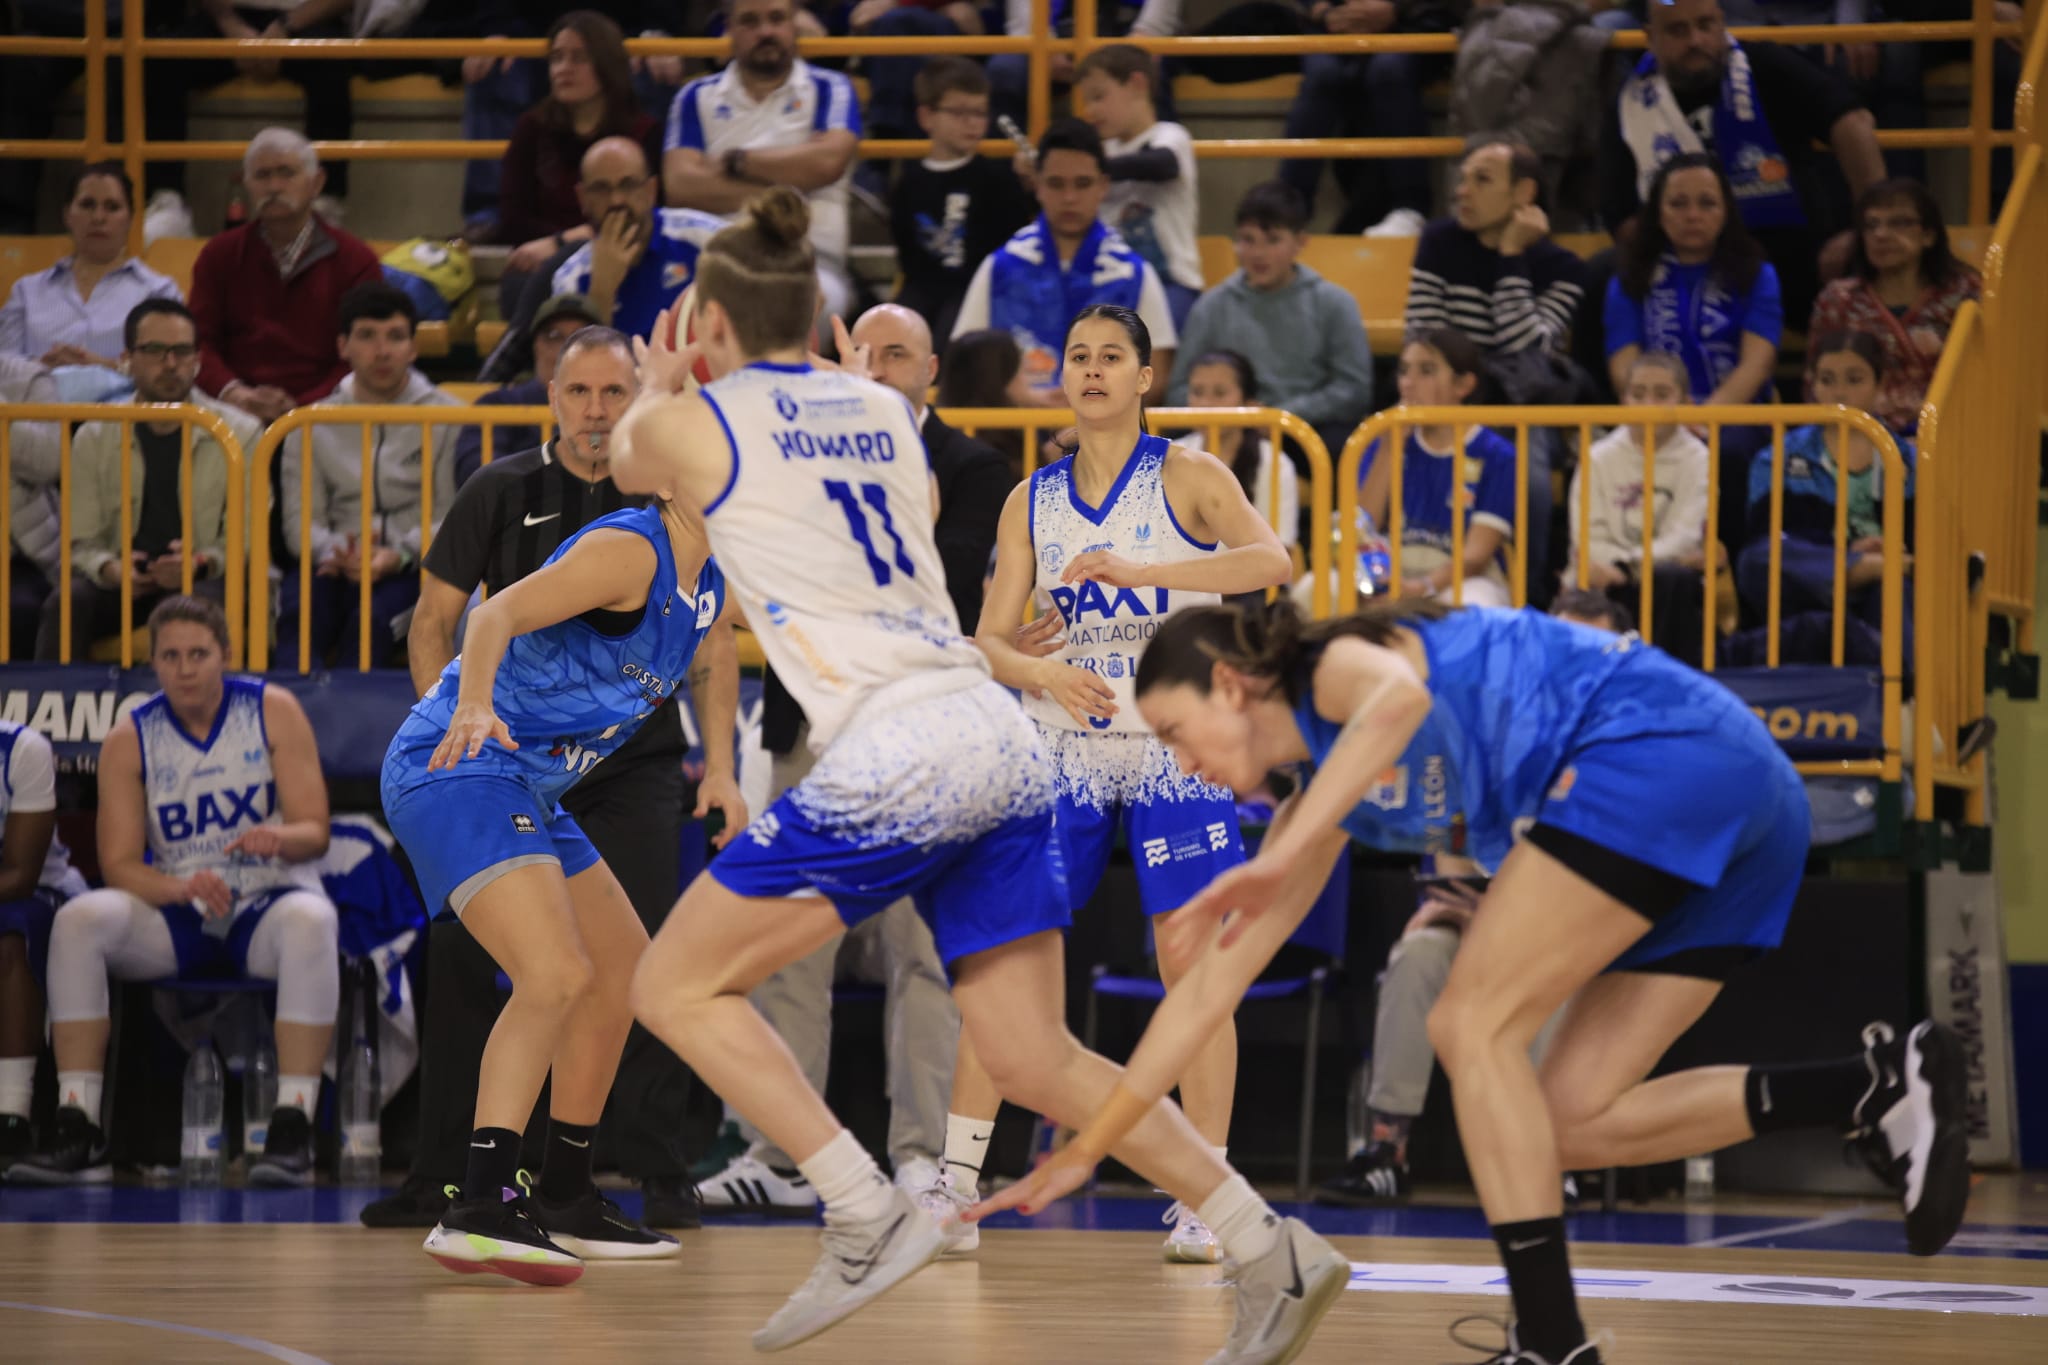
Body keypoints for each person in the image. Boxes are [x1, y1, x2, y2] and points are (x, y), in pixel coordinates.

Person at [611, 188, 1346, 1357]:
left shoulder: (711, 416)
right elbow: (859, 432)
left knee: (670, 986)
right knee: (1030, 1054)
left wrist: (659, 384)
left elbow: (625, 449)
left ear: (706, 325)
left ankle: (860, 1210)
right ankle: (1267, 1243)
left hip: (901, 747)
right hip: (1006, 734)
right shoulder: (884, 414)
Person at [981, 595, 1972, 1365]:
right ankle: (1869, 1089)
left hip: (1659, 749)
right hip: (1745, 799)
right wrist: (1091, 1148)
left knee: (1469, 1024)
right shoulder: (1313, 810)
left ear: (1232, 684)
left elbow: (1399, 700)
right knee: (1568, 1117)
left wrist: (1281, 857)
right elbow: (1203, 993)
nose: (1178, 762)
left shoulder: (1330, 673)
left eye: (1170, 730)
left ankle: (1548, 1339)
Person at [361, 327, 728, 1234]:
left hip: (527, 786)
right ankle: (482, 1200)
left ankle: (565, 1187)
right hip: (456, 762)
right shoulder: (630, 550)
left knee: (622, 973)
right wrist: (474, 706)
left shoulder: (711, 580)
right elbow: (490, 617)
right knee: (555, 973)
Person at [947, 303, 1292, 1264]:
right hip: (1062, 740)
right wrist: (1037, 666)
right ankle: (952, 1183)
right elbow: (985, 639)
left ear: (1146, 377)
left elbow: (1273, 558)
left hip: (1174, 746)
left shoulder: (1189, 472)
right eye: (1079, 357)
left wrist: (1145, 566)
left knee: (1195, 966)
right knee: (1004, 956)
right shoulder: (1031, 498)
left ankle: (1208, 1195)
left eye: (1112, 358)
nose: (1092, 370)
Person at [696, 302, 1016, 1220]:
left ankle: (922, 1157)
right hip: (814, 732)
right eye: (861, 354)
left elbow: (937, 595)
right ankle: (784, 1151)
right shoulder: (802, 457)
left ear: (931, 374)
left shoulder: (977, 467)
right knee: (789, 945)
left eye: (896, 355)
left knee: (924, 951)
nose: (874, 367)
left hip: (922, 735)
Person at [9, 596, 340, 1188]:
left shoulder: (274, 710)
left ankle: (294, 1126)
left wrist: (277, 837)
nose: (184, 668)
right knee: (79, 920)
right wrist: (181, 885)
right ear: (153, 663)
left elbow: (315, 831)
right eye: (169, 656)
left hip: (265, 901)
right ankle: (77, 1123)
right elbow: (117, 865)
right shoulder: (129, 737)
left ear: (225, 656)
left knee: (314, 921)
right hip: (179, 906)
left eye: (197, 654)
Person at [1600, 0, 1885, 324]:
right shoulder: (1630, 102)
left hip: (1794, 257)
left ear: (1722, 23)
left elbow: (1853, 121)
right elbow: (1621, 216)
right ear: (1650, 37)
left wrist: (1866, 223)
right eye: (1678, 30)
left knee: (1867, 261)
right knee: (1602, 276)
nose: (1696, 40)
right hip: (1684, 267)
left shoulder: (1764, 64)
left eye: (1705, 25)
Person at [36, 300, 256, 662]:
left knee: (204, 603)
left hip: (201, 575)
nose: (170, 364)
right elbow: (81, 540)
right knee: (68, 602)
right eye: (155, 351)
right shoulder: (93, 435)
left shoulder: (239, 433)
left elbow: (246, 538)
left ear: (197, 359)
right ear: (127, 359)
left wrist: (198, 563)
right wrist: (109, 568)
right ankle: (49, 714)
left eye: (182, 351)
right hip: (119, 580)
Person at [278, 283, 461, 671]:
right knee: (298, 616)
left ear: (413, 347)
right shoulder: (307, 422)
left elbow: (452, 515)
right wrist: (338, 553)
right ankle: (289, 729)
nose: (382, 351)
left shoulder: (452, 417)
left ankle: (356, 731)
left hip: (412, 566)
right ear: (343, 345)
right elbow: (299, 524)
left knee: (371, 625)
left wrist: (400, 555)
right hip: (332, 563)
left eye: (395, 337)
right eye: (367, 337)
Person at [1603, 152, 1781, 549]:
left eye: (1707, 203)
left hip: (1733, 418)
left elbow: (1757, 362)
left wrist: (1703, 420)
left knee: (1732, 454)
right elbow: (1623, 364)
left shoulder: (1758, 274)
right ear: (1658, 212)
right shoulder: (1630, 275)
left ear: (1726, 210)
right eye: (1678, 204)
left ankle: (1739, 577)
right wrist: (1664, 414)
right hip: (1650, 413)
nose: (1692, 215)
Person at [952, 120, 1178, 405]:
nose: (1069, 198)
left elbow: (1156, 377)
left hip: (1106, 441)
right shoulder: (1000, 268)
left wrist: (1091, 417)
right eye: (1056, 184)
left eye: (1082, 184)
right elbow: (965, 364)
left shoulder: (1134, 274)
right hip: (1012, 440)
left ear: (1103, 186)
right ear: (1037, 184)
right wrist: (1022, 400)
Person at [661, 0, 862, 318]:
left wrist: (736, 162)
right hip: (717, 259)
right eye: (750, 21)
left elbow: (827, 163)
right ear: (729, 29)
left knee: (808, 307)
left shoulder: (831, 88)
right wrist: (787, 195)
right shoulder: (694, 96)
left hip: (810, 260)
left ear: (795, 23)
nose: (765, 31)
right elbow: (681, 186)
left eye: (776, 18)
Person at [1166, 179, 1375, 460]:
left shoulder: (1334, 302)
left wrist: (1282, 416)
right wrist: (1228, 409)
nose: (1258, 253)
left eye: (1273, 240)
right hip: (1224, 429)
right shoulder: (1212, 306)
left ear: (1300, 242)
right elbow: (1179, 389)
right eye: (1247, 240)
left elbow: (1354, 389)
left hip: (1301, 431)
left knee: (1347, 446)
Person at [191, 129, 384, 425]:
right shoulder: (218, 255)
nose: (274, 186)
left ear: (316, 182)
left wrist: (301, 410)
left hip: (328, 419)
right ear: (247, 184)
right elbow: (198, 342)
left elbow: (363, 352)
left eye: (286, 173)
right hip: (231, 417)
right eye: (262, 175)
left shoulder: (356, 260)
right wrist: (235, 394)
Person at [1738, 330, 1913, 646]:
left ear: (1881, 385)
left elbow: (1919, 545)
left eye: (1854, 379)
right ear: (1812, 384)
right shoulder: (1778, 457)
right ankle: (1865, 568)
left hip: (1886, 586)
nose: (1839, 392)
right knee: (1756, 559)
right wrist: (1846, 556)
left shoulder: (1908, 460)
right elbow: (1768, 539)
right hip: (1808, 589)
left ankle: (1902, 685)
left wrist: (1889, 554)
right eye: (1827, 380)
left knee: (1897, 581)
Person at [494, 11, 669, 289]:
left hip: (628, 252)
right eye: (557, 58)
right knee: (520, 280)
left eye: (579, 58)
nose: (564, 68)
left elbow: (654, 212)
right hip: (547, 258)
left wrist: (570, 239)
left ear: (607, 64)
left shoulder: (645, 132)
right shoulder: (532, 127)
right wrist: (561, 244)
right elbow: (512, 218)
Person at [1567, 350, 1714, 661]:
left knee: (1674, 579)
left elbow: (1684, 538)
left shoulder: (1699, 459)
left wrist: (1626, 568)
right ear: (1624, 400)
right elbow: (1586, 541)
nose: (1649, 406)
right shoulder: (1598, 456)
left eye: (1662, 395)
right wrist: (1615, 570)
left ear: (1685, 402)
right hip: (1602, 580)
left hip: (1656, 581)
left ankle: (1660, 688)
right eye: (1638, 394)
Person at [1358, 330, 1521, 608]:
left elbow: (1476, 556)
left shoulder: (1497, 455)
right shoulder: (1382, 439)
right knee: (1320, 589)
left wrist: (1422, 587)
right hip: (1389, 569)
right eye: (1404, 370)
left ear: (1463, 385)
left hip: (1461, 577)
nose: (1408, 383)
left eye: (1427, 371)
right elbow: (1362, 525)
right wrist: (1389, 449)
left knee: (1471, 607)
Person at [1806, 178, 1981, 436]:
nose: (1881, 234)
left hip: (1951, 437)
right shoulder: (1838, 299)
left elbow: (1986, 377)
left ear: (1929, 235)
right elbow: (1815, 384)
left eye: (1899, 223)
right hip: (1857, 436)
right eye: (1871, 225)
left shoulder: (1966, 293)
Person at [1404, 142, 1588, 382]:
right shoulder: (1438, 242)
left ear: (1524, 192)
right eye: (1463, 179)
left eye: (1482, 179)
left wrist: (1511, 257)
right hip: (1450, 398)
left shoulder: (1564, 268)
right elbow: (1425, 343)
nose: (1462, 191)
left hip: (1519, 406)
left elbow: (1529, 356)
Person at [889, 57, 1037, 348]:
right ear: (926, 117)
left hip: (981, 290)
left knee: (955, 330)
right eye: (958, 112)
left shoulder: (998, 178)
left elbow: (1014, 247)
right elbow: (908, 254)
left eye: (980, 113)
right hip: (923, 288)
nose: (972, 123)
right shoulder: (909, 181)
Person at [1279, 0, 1461, 237]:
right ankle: (1285, 211)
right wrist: (1325, 12)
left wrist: (1398, 9)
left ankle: (1410, 208)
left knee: (1388, 70)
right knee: (1322, 77)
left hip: (1414, 24)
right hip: (1331, 28)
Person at [0, 718, 90, 1168]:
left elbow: (20, 875)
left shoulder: (21, 749)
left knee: (12, 929)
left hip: (38, 891)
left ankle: (12, 1115)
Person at [0, 163, 180, 377]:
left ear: (131, 219)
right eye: (87, 205)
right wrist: (41, 368)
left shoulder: (159, 292)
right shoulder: (26, 292)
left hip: (127, 408)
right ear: (67, 215)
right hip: (37, 406)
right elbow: (4, 368)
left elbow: (172, 371)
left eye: (112, 207)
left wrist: (104, 366)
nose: (98, 218)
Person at [1076, 44, 1203, 329]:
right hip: (1110, 285)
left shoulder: (1170, 136)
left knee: (1149, 347)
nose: (1089, 110)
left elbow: (1162, 164)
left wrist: (1091, 169)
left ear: (1137, 85)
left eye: (1098, 97)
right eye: (1087, 100)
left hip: (1170, 283)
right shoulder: (1101, 150)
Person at [554, 138, 728, 344]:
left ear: (651, 190)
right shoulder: (571, 279)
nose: (616, 200)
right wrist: (601, 291)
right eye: (601, 188)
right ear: (582, 198)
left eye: (628, 185)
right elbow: (583, 367)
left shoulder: (706, 239)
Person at [456, 294, 605, 487]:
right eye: (553, 336)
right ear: (536, 346)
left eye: (582, 339)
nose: (566, 348)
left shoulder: (619, 410)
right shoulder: (497, 405)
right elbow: (477, 475)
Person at [1180, 350, 1299, 551]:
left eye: (1219, 393)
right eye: (1197, 392)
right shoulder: (1171, 453)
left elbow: (1279, 549)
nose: (1205, 404)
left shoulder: (1274, 462)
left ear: (1248, 403)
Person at [936, 328, 1031, 477]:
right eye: (1023, 371)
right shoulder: (997, 458)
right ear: (1002, 380)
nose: (1027, 382)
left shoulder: (938, 429)